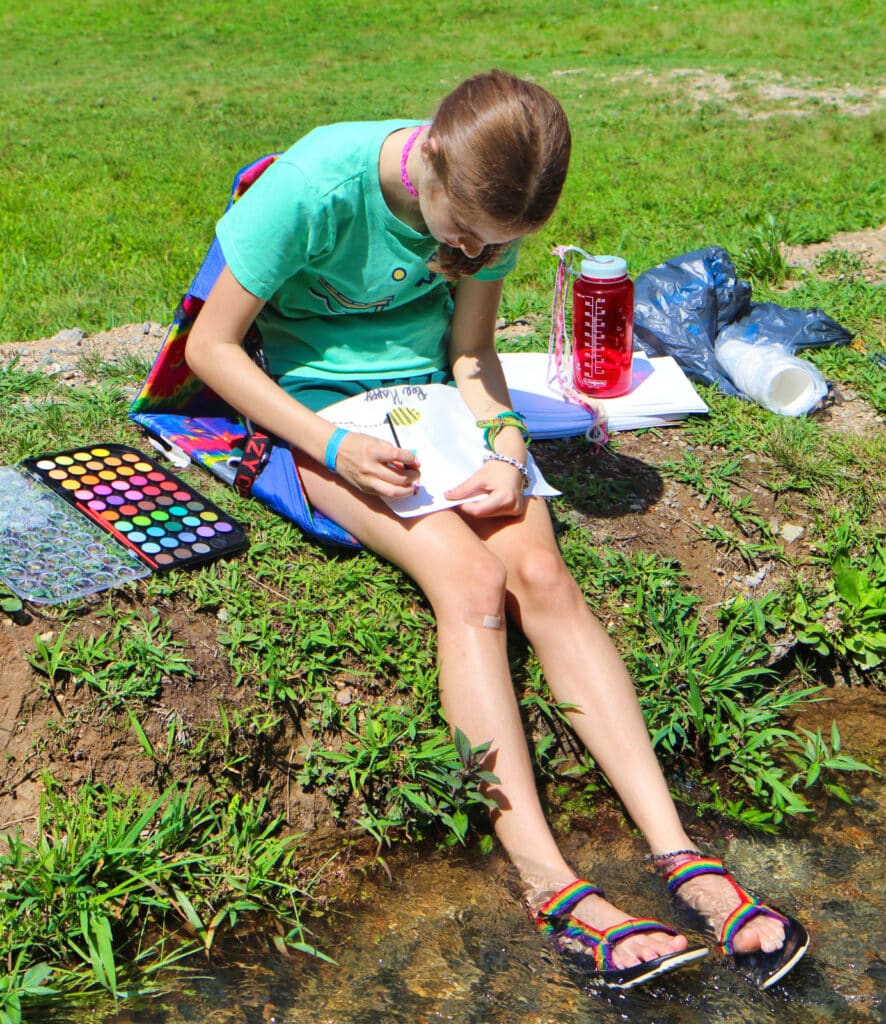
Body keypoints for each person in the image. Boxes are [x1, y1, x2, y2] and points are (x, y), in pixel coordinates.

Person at [185, 69, 809, 990]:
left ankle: (678, 851)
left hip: (432, 411)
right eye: (462, 236)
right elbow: (211, 347)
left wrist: (507, 446)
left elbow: (472, 355)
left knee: (545, 579)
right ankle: (546, 879)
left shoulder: (490, 208)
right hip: (318, 413)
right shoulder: (316, 185)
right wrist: (329, 443)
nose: (472, 252)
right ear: (431, 155)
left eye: (494, 246)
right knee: (469, 586)